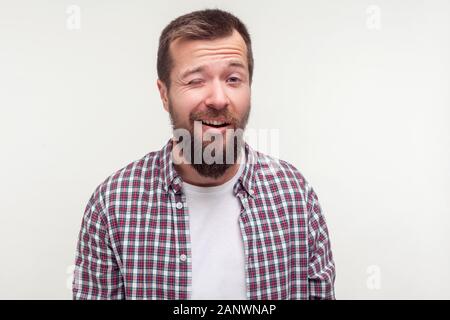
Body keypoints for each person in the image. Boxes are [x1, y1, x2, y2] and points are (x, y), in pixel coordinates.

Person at [72, 8, 335, 300]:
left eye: (233, 79)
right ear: (164, 94)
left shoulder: (296, 195)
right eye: (196, 80)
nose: (219, 99)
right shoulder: (113, 204)